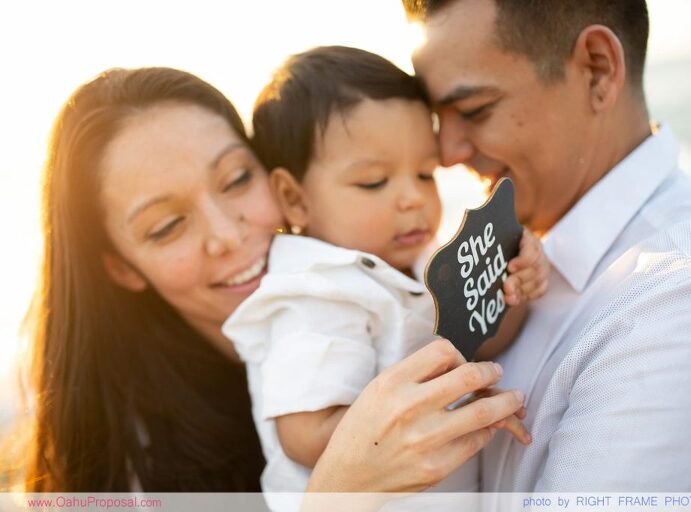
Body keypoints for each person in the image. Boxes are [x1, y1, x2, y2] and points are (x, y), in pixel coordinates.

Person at [18, 66, 528, 494]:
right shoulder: (131, 470)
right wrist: (338, 492)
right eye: (167, 226)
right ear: (122, 267)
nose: (226, 235)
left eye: (237, 179)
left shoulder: (373, 281)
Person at [402, 0, 691, 499]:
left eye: (474, 110)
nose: (446, 154)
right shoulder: (513, 258)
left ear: (598, 70)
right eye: (438, 119)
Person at [222, 46, 544, 505]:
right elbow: (306, 435)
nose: (413, 198)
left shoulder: (417, 264)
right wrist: (447, 411)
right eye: (374, 182)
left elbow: (484, 340)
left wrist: (515, 283)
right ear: (294, 200)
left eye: (425, 175)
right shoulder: (316, 293)